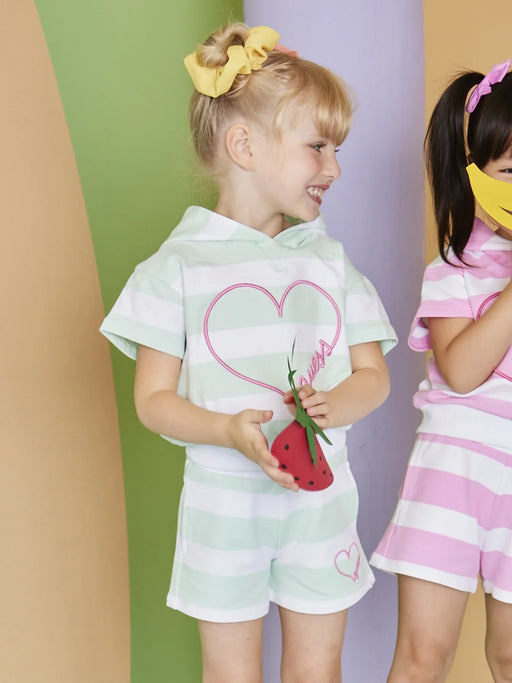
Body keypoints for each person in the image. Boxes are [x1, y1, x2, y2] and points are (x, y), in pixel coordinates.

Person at [101, 22, 396, 682]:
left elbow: (374, 374)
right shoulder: (174, 268)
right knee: (231, 674)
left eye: (338, 149)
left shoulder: (330, 263)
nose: (336, 168)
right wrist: (225, 430)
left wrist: (332, 405)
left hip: (320, 505)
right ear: (244, 145)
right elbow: (153, 400)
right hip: (222, 508)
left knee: (318, 671)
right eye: (318, 146)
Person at [371, 60, 512, 682]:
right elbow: (459, 370)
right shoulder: (454, 270)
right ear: (477, 177)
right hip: (452, 471)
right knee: (424, 655)